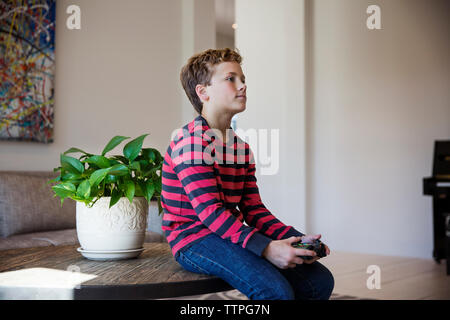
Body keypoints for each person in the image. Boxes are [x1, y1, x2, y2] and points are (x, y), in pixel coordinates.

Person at [160, 48, 334, 300]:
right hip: (193, 240)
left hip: (224, 232)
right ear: (203, 92)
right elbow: (210, 212)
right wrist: (266, 249)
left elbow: (254, 210)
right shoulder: (190, 143)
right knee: (275, 292)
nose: (242, 86)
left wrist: (293, 238)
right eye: (231, 79)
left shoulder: (240, 147)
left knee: (319, 281)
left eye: (243, 79)